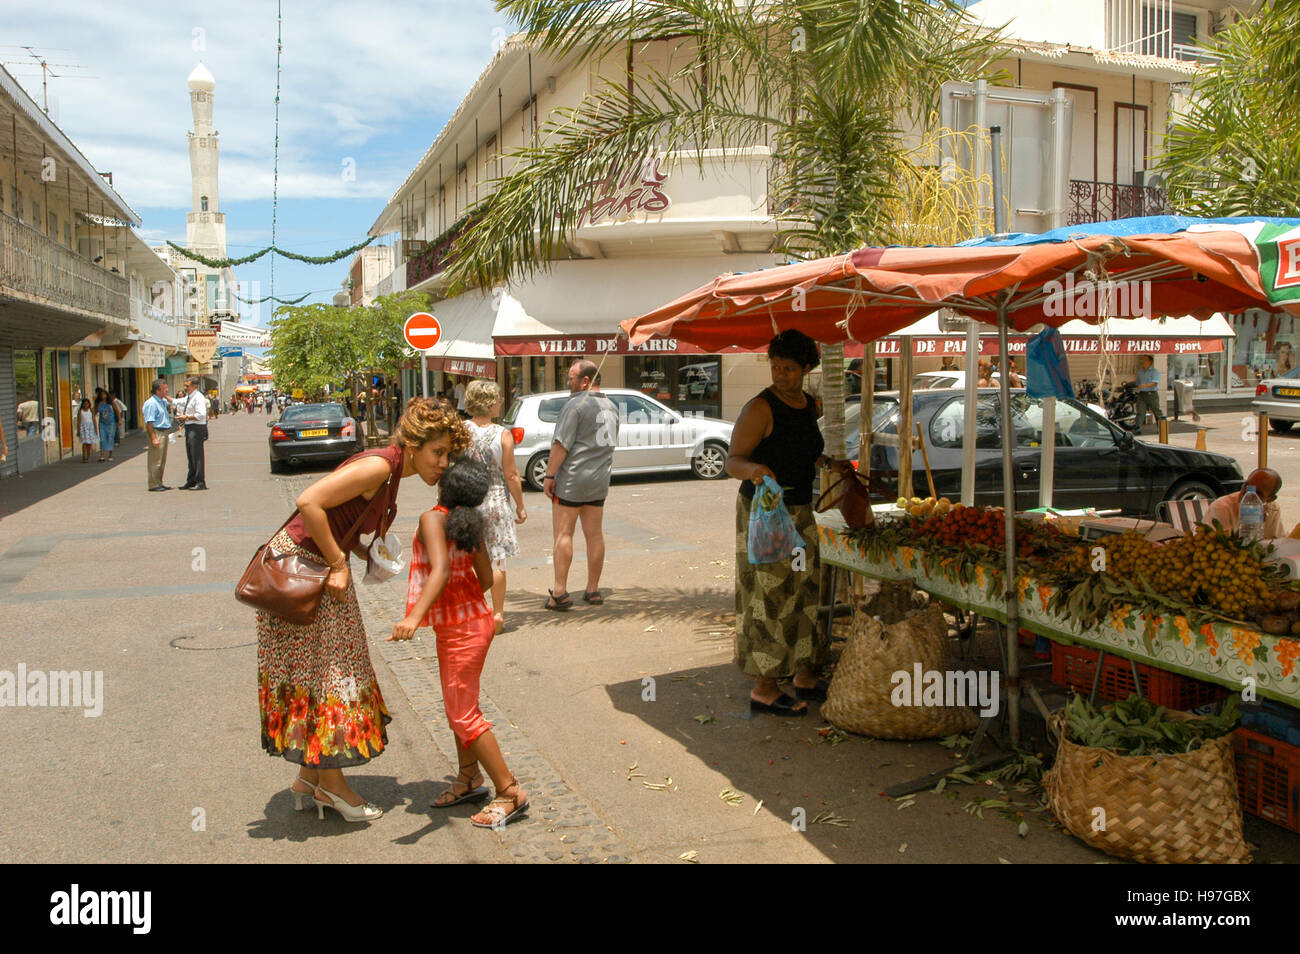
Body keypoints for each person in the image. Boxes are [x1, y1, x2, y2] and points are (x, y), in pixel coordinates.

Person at [263, 397, 467, 822]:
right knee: (336, 673)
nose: (444, 463)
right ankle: (333, 787)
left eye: (449, 454)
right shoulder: (380, 467)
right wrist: (339, 563)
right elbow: (309, 501)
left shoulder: (391, 471)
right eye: (438, 452)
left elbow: (340, 515)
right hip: (305, 569)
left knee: (325, 670)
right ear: (413, 443)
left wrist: (356, 549)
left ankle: (309, 779)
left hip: (314, 567)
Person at [392, 457, 529, 828]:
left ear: (444, 488)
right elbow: (485, 578)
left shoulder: (432, 519)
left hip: (460, 631)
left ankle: (510, 790)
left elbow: (441, 569)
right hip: (473, 622)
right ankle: (469, 778)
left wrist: (413, 617)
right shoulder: (471, 524)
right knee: (460, 706)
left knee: (462, 713)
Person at [726, 329, 848, 716]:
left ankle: (804, 676)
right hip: (765, 516)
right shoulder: (759, 408)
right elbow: (732, 461)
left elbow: (802, 451)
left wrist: (828, 464)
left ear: (806, 369)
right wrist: (756, 469)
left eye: (789, 368)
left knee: (805, 590)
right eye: (776, 367)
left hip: (799, 512)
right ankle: (764, 688)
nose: (780, 375)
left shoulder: (809, 405)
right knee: (770, 597)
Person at [543, 359, 618, 609]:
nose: (568, 381)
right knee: (594, 534)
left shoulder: (575, 405)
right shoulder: (612, 406)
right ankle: (593, 589)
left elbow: (561, 444)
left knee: (564, 533)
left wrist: (550, 475)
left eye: (572, 377)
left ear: (586, 380)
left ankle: (560, 592)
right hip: (599, 479)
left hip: (572, 479)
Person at [463, 380, 527, 633]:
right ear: (489, 403)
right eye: (498, 399)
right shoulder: (502, 434)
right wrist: (520, 505)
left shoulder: (459, 430)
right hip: (495, 500)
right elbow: (511, 474)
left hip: (467, 499)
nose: (501, 402)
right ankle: (497, 613)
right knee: (497, 560)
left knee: (467, 560)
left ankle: (472, 611)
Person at [1206, 468, 1283, 538]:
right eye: (1246, 486)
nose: (1247, 494)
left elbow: (1276, 542)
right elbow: (1221, 548)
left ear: (1270, 499)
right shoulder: (1221, 507)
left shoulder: (1272, 508)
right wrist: (1247, 526)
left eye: (1257, 493)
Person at [178, 377, 209, 490]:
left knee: (197, 455)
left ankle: (200, 481)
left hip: (196, 428)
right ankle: (191, 480)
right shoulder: (189, 397)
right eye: (185, 386)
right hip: (190, 427)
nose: (185, 388)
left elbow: (201, 414)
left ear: (194, 386)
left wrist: (186, 417)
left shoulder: (198, 397)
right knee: (191, 455)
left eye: (187, 386)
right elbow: (179, 401)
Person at [142, 379, 174, 491]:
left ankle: (159, 482)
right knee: (155, 459)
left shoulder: (162, 401)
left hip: (164, 431)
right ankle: (153, 484)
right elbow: (149, 422)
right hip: (157, 431)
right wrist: (154, 438)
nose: (167, 391)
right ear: (158, 390)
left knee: (162, 459)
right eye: (165, 389)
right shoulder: (151, 403)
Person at [1136, 354, 1165, 434]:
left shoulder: (1155, 372)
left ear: (1150, 362)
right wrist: (1138, 387)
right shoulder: (1140, 372)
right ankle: (1137, 428)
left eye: (1145, 360)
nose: (1143, 362)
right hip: (1142, 394)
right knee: (1140, 412)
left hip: (1152, 394)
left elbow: (1154, 383)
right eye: (1143, 360)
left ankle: (1161, 428)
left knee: (1156, 412)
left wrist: (1144, 385)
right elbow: (1138, 383)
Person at [95, 390, 119, 462]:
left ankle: (110, 455)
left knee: (110, 438)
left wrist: (119, 420)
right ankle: (102, 456)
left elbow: (117, 411)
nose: (103, 396)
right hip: (102, 423)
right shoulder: (98, 404)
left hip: (111, 422)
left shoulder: (111, 403)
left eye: (104, 394)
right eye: (101, 395)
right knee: (102, 438)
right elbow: (95, 411)